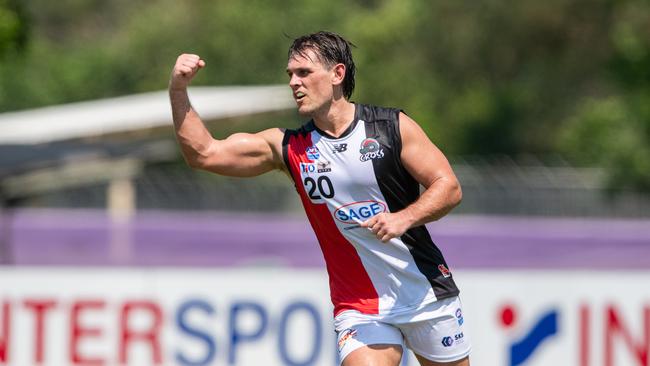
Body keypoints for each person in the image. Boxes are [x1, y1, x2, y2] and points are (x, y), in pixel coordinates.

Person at [169, 31, 470, 366]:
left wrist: (404, 218)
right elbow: (204, 154)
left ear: (337, 74)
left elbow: (449, 187)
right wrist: (178, 89)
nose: (293, 83)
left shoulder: (391, 127)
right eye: (290, 75)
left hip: (425, 293)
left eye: (304, 73)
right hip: (360, 305)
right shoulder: (287, 147)